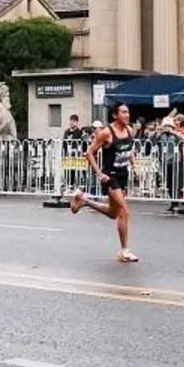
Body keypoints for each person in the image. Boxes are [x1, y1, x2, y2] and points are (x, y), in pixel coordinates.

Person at [71, 102, 139, 262]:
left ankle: (85, 200)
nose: (127, 115)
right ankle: (124, 251)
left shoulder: (129, 130)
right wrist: (99, 173)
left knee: (113, 213)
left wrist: (134, 166)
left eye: (128, 112)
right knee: (124, 211)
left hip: (123, 175)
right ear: (115, 115)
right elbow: (89, 153)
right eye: (123, 112)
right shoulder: (106, 133)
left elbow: (129, 151)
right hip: (110, 176)